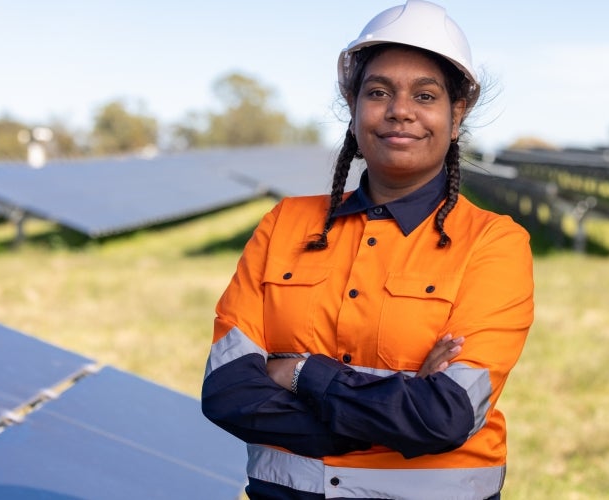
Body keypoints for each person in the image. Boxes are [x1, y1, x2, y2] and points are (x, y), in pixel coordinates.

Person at [201, 1, 534, 498]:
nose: (401, 111)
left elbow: (446, 416)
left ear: (456, 114)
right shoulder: (284, 224)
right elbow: (228, 391)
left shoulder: (494, 242)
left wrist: (297, 371)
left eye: (425, 95)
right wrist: (395, 413)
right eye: (378, 92)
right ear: (353, 108)